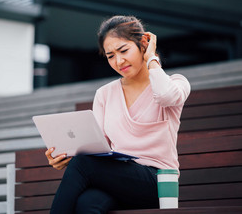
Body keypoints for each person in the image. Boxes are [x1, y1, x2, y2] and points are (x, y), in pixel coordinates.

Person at [45, 15, 191, 214]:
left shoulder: (175, 83)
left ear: (143, 44)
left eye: (123, 51)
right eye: (110, 55)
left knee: (83, 164)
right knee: (87, 203)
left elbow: (165, 95)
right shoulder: (105, 94)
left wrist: (152, 59)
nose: (118, 61)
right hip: (118, 180)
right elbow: (98, 149)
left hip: (158, 182)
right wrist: (66, 157)